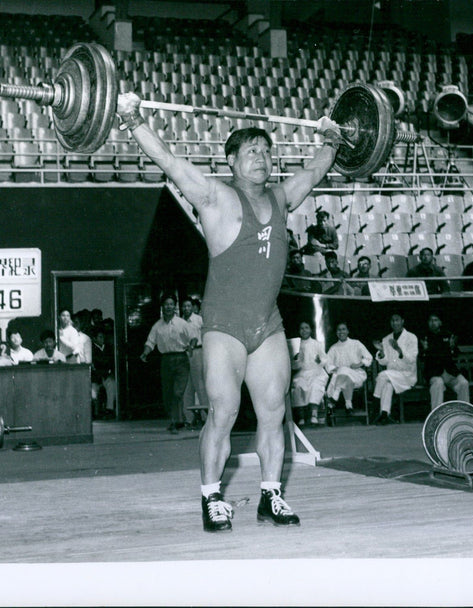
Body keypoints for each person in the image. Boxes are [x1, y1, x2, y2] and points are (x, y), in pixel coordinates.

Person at [118, 90, 340, 531]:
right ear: (233, 161)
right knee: (224, 412)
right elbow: (170, 163)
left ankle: (270, 496)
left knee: (274, 411)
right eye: (251, 150)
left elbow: (315, 169)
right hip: (223, 327)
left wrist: (332, 138)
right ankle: (211, 497)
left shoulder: (281, 196)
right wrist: (133, 119)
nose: (261, 156)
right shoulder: (214, 196)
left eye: (266, 150)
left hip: (268, 326)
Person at [140, 295, 193, 434]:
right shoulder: (157, 326)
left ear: (174, 307)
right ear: (162, 307)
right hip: (166, 361)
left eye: (171, 304)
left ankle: (177, 422)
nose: (168, 306)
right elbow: (150, 342)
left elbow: (193, 337)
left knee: (178, 392)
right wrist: (145, 353)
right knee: (169, 393)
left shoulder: (182, 323)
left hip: (181, 359)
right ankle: (176, 420)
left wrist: (191, 347)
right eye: (166, 304)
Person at [371, 313, 418, 425]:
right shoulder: (386, 339)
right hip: (392, 375)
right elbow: (385, 361)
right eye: (392, 320)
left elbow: (411, 359)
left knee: (382, 375)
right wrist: (381, 352)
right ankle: (384, 414)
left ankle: (375, 403)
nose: (395, 323)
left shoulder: (411, 337)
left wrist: (399, 350)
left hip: (406, 375)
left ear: (402, 321)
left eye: (397, 320)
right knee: (387, 384)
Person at [324, 322, 373, 423]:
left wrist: (359, 364)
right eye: (339, 330)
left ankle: (336, 393)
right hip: (344, 378)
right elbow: (327, 363)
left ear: (347, 331)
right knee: (344, 372)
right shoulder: (333, 348)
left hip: (357, 375)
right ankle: (349, 406)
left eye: (343, 329)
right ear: (336, 332)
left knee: (344, 370)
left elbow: (369, 357)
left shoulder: (356, 343)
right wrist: (334, 369)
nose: (341, 332)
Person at [420, 314, 469, 409]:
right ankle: (436, 414)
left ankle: (463, 412)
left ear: (440, 322)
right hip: (434, 373)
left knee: (464, 383)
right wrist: (425, 349)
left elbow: (455, 354)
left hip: (450, 372)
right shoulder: (424, 337)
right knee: (438, 383)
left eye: (435, 320)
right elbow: (421, 357)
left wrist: (452, 347)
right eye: (430, 320)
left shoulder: (447, 335)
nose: (433, 323)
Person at [291, 321, 329, 426]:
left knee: (315, 385)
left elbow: (325, 359)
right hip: (302, 373)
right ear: (299, 331)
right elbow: (293, 365)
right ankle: (301, 417)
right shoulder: (296, 345)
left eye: (306, 328)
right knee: (298, 386)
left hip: (316, 372)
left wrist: (319, 361)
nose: (304, 330)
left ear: (310, 330)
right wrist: (298, 361)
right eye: (302, 328)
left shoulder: (317, 344)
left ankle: (314, 414)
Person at [181, 297, 209, 428]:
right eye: (184, 306)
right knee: (187, 387)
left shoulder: (199, 320)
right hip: (184, 353)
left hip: (197, 352)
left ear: (192, 307)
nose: (186, 308)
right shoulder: (179, 321)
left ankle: (206, 417)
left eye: (188, 306)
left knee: (200, 384)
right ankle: (189, 418)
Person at [91, 325, 115, 419]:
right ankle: (95, 413)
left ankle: (109, 409)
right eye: (100, 337)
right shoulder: (91, 349)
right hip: (95, 377)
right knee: (93, 391)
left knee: (111, 384)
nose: (102, 339)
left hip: (106, 375)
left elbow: (110, 362)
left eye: (103, 337)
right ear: (94, 338)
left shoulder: (108, 348)